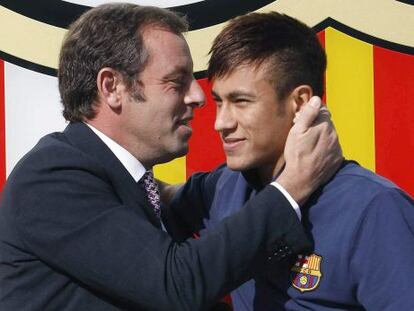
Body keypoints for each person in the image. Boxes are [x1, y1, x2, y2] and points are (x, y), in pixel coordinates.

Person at [0, 4, 343, 311]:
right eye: (176, 81)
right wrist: (292, 185)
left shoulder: (125, 182)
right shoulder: (51, 178)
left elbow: (211, 191)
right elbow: (177, 284)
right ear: (112, 87)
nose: (198, 96)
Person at [169, 11, 414, 310]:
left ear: (299, 102)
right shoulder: (227, 187)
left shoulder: (375, 209)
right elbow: (155, 196)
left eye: (241, 101)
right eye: (220, 101)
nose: (221, 122)